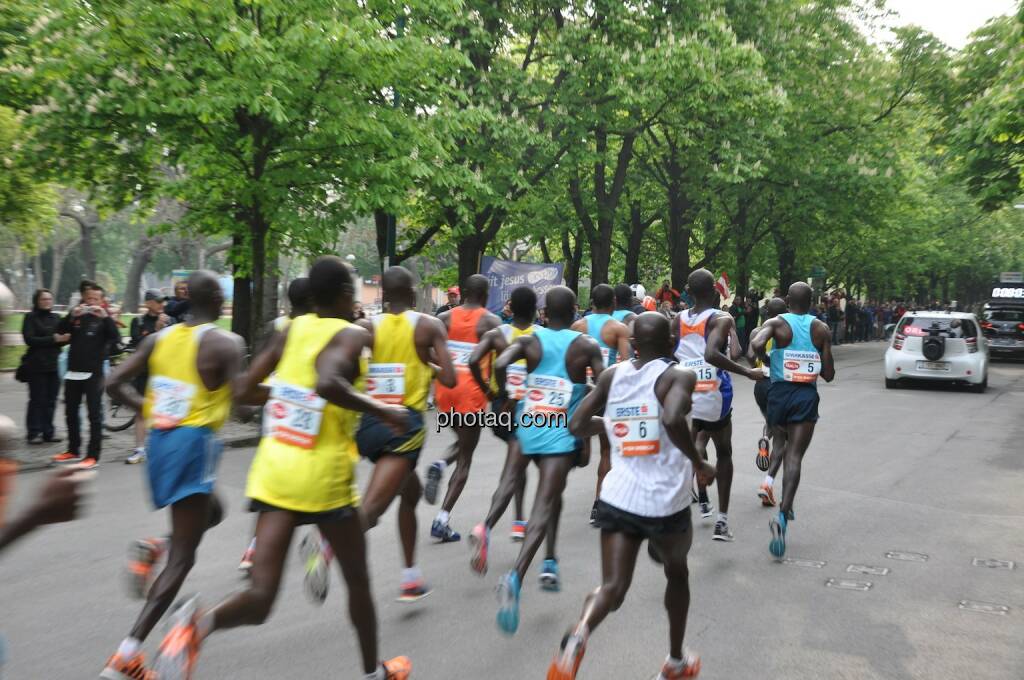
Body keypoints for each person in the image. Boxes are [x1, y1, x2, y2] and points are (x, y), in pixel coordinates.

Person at [149, 256, 413, 680]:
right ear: (347, 295)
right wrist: (383, 409)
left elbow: (245, 391)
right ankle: (372, 673)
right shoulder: (349, 334)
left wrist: (287, 392)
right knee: (359, 583)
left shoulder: (287, 331)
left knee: (261, 595)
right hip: (323, 479)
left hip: (275, 471)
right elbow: (328, 382)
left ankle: (196, 626)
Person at [547, 312, 715, 680]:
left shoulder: (612, 375)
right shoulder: (678, 374)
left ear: (634, 343)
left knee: (612, 587)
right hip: (664, 502)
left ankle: (579, 635)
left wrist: (612, 423)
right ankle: (675, 662)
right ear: (672, 342)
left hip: (618, 496)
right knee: (677, 571)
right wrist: (699, 461)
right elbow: (672, 419)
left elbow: (576, 424)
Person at [98, 271, 243, 679]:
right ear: (216, 299)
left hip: (160, 444)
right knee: (185, 556)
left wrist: (148, 408)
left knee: (213, 510)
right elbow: (245, 406)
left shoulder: (158, 338)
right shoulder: (223, 342)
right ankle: (127, 654)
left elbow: (113, 382)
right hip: (193, 444)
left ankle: (154, 545)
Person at [490, 286, 603, 634]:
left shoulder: (529, 340)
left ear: (544, 312)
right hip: (560, 432)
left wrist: (507, 394)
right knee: (545, 501)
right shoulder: (585, 346)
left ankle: (550, 561)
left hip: (530, 425)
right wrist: (586, 427)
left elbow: (499, 363)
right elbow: (603, 386)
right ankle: (516, 575)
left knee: (549, 496)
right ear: (573, 310)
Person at [355, 266, 456, 601]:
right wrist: (425, 361)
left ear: (383, 295)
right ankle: (328, 543)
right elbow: (452, 379)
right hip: (403, 427)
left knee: (409, 494)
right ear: (414, 296)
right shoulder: (428, 326)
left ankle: (411, 577)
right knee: (372, 509)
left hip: (370, 423)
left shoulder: (367, 326)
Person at [672, 269, 763, 542]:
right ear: (715, 290)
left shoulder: (676, 319)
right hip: (713, 392)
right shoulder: (721, 318)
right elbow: (712, 354)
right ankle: (721, 521)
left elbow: (668, 353)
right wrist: (748, 373)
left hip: (685, 391)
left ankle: (680, 509)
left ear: (688, 291)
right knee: (724, 451)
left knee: (692, 445)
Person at [750, 282, 835, 559]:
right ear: (812, 302)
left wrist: (768, 357)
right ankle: (784, 513)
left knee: (781, 442)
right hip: (805, 397)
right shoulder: (821, 329)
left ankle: (774, 487)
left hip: (778, 394)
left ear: (787, 300)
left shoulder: (776, 322)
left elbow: (755, 345)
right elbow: (829, 374)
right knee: (795, 457)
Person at [237, 276, 313, 572]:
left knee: (272, 483)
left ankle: (253, 548)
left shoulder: (275, 327)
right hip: (304, 410)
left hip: (274, 408)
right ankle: (321, 543)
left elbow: (259, 365)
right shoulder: (315, 330)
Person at [424, 275, 501, 542]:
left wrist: (443, 366)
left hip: (446, 389)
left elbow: (425, 349)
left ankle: (440, 462)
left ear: (464, 293)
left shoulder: (443, 319)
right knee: (466, 456)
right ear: (486, 294)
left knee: (462, 441)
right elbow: (502, 363)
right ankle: (441, 519)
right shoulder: (491, 322)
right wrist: (496, 392)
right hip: (472, 392)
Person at [467, 286, 539, 546]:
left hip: (501, 407)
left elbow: (473, 360)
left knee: (516, 460)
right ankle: (488, 526)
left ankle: (519, 521)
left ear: (510, 308)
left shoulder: (497, 333)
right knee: (514, 467)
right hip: (528, 407)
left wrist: (489, 391)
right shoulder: (540, 336)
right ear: (534, 310)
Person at [571, 284, 631, 525]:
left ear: (592, 301)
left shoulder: (577, 326)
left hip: (582, 394)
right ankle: (599, 504)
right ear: (614, 302)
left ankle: (581, 450)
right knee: (606, 451)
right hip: (606, 393)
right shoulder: (619, 328)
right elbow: (626, 364)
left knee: (584, 446)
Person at [51, 283, 121, 469]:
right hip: (73, 371)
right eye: (88, 298)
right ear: (84, 298)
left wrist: (106, 318)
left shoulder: (104, 319)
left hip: (94, 373)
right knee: (70, 412)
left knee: (94, 414)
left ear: (102, 300)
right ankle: (73, 449)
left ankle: (92, 455)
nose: (91, 302)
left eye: (95, 299)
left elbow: (116, 339)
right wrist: (71, 315)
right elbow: (59, 330)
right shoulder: (77, 317)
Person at [748, 298, 789, 507]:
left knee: (770, 420)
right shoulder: (785, 331)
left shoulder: (756, 332)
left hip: (759, 385)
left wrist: (759, 361)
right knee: (782, 438)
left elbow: (748, 357)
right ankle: (768, 485)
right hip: (777, 383)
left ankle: (765, 438)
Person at [124, 290, 170, 465]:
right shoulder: (138, 321)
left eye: (163, 302)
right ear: (149, 303)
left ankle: (162, 449)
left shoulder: (170, 321)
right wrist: (157, 329)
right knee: (141, 411)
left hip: (164, 373)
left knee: (164, 412)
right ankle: (140, 449)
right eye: (158, 301)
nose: (162, 305)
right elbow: (139, 346)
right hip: (144, 373)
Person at [21, 289, 69, 445]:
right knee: (37, 400)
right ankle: (33, 432)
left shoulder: (56, 317)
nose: (47, 301)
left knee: (51, 400)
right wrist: (53, 339)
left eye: (49, 299)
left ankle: (48, 432)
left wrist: (65, 339)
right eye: (44, 299)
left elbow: (61, 339)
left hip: (54, 365)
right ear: (37, 301)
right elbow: (29, 339)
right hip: (36, 365)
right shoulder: (30, 317)